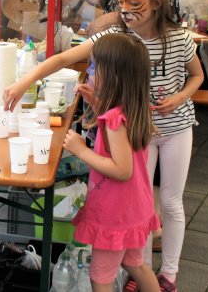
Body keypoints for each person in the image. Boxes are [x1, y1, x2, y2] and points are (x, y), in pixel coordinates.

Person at [5, 0, 203, 292]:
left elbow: (196, 75)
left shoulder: (176, 39)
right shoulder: (115, 39)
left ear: (157, 0)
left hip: (171, 126)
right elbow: (62, 59)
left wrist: (179, 97)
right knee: (141, 216)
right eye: (121, 0)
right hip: (137, 131)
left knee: (168, 202)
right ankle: (146, 277)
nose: (125, 8)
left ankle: (169, 273)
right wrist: (24, 81)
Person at [62, 33, 161, 292]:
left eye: (95, 66)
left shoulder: (115, 120)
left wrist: (80, 150)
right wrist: (95, 101)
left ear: (114, 75)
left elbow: (122, 170)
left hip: (115, 213)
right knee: (136, 265)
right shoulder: (134, 108)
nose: (90, 72)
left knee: (100, 278)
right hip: (135, 207)